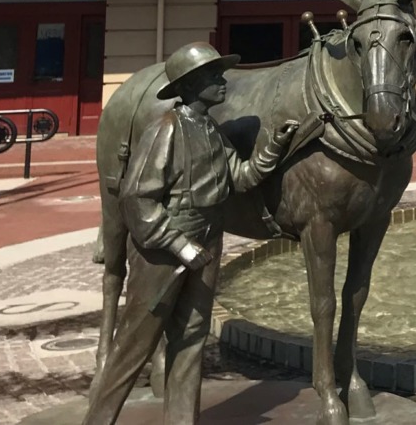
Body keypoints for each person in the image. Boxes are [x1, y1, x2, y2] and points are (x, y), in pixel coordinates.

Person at [82, 42, 300, 425]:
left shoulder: (212, 132)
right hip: (164, 250)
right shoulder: (165, 130)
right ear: (192, 84)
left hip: (207, 242)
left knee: (191, 342)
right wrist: (180, 246)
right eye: (214, 76)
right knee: (135, 343)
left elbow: (241, 177)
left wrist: (275, 146)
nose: (223, 82)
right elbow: (137, 199)